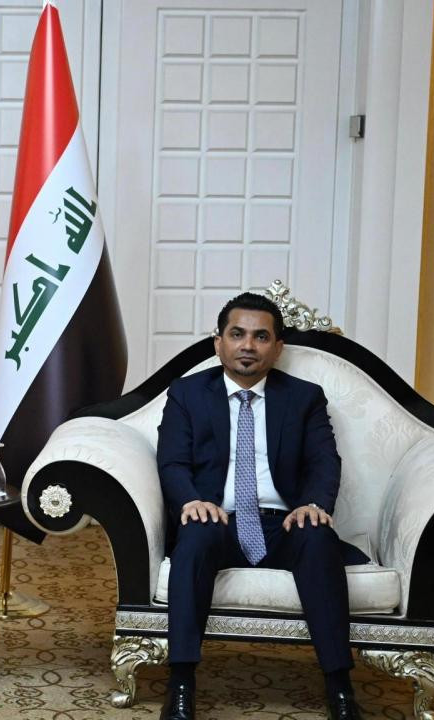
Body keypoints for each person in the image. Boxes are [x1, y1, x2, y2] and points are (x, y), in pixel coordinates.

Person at [155, 292, 367, 720]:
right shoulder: (187, 393)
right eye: (237, 334)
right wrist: (192, 501)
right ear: (218, 343)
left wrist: (313, 504)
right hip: (218, 520)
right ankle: (180, 685)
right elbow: (172, 461)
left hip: (282, 524)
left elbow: (324, 461)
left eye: (260, 336)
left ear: (278, 347)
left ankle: (340, 688)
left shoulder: (304, 397)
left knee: (317, 536)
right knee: (194, 537)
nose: (248, 345)